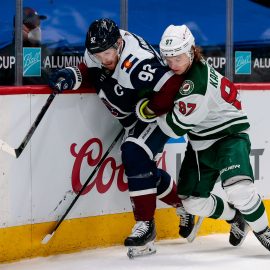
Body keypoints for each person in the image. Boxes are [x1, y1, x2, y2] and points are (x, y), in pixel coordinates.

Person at [48, 18, 199, 258]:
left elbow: (172, 85)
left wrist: (149, 109)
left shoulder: (136, 63)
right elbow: (90, 69)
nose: (104, 59)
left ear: (119, 44)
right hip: (134, 117)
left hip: (159, 114)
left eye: (108, 53)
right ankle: (183, 205)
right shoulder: (99, 50)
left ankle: (145, 226)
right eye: (98, 54)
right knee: (143, 170)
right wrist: (72, 74)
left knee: (134, 151)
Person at [137, 24, 270, 251]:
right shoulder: (183, 70)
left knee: (239, 189)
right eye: (168, 59)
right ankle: (235, 217)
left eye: (178, 58)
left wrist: (149, 110)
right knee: (191, 202)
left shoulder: (196, 84)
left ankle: (264, 231)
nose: (172, 64)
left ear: (191, 51)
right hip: (200, 143)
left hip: (229, 136)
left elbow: (174, 128)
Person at [0, 7, 48, 85]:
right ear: (18, 28)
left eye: (38, 23)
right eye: (31, 24)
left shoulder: (45, 51)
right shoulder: (6, 55)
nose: (36, 28)